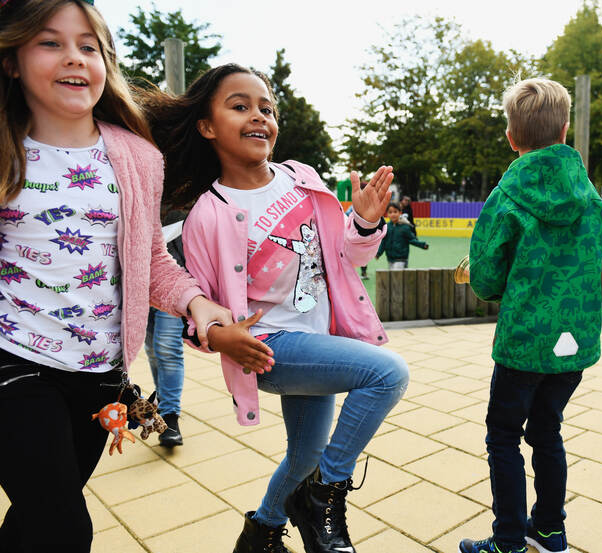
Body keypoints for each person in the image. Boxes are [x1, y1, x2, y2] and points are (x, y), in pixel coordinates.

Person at [140, 64, 409, 553]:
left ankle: (261, 532)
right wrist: (217, 337)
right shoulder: (208, 212)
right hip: (267, 346)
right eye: (240, 106)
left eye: (266, 107)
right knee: (387, 375)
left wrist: (365, 223)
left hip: (319, 338)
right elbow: (198, 303)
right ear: (206, 125)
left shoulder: (301, 178)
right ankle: (324, 495)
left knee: (305, 452)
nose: (258, 116)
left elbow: (343, 257)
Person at [0, 2, 231, 551]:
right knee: (64, 525)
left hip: (99, 373)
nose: (75, 57)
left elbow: (150, 258)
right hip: (11, 361)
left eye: (90, 45)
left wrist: (197, 302)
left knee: (37, 522)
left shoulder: (136, 155)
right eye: (50, 42)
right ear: (12, 61)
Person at [460, 78, 602, 553]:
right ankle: (549, 529)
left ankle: (507, 541)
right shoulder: (590, 197)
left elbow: (485, 280)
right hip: (575, 343)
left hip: (524, 341)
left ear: (511, 137)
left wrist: (482, 275)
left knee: (503, 435)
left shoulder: (506, 197)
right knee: (547, 430)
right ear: (565, 130)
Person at [144, 209, 188, 447]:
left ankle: (170, 416)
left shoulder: (185, 188)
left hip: (173, 278)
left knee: (167, 347)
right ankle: (162, 400)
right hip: (140, 281)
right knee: (152, 347)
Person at [375, 201, 429, 269]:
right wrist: (378, 253)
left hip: (401, 259)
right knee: (392, 277)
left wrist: (422, 244)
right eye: (390, 212)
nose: (393, 214)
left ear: (400, 213)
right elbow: (384, 242)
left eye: (395, 212)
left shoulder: (405, 227)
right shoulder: (387, 227)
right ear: (387, 214)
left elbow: (412, 240)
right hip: (390, 259)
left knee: (397, 276)